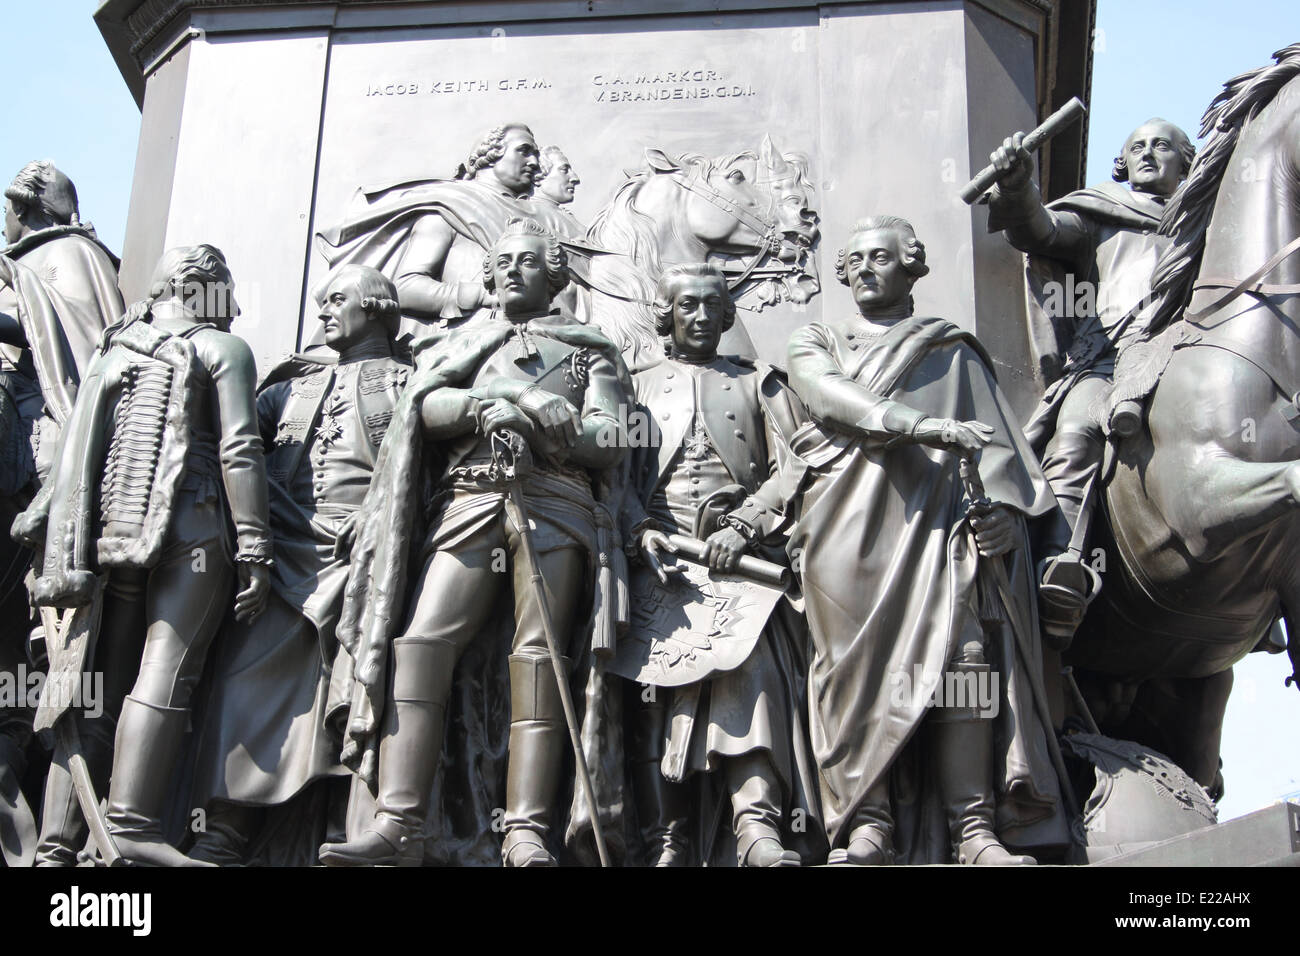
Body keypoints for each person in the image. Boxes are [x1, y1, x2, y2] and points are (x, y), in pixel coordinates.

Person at [318, 218, 629, 866]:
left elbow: (614, 437)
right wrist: (498, 398)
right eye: (502, 261)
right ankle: (400, 820)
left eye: (528, 261)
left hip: (556, 506)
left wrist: (557, 429)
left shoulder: (587, 350)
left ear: (556, 276)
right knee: (422, 641)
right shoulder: (467, 341)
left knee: (539, 657)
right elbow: (424, 410)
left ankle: (524, 832)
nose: (512, 270)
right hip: (468, 500)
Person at [784, 217, 1065, 865]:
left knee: (964, 664)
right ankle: (868, 824)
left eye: (879, 257)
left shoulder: (952, 351)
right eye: (852, 260)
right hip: (844, 533)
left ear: (913, 265)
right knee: (853, 673)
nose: (862, 269)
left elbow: (1000, 461)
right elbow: (828, 398)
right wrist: (921, 425)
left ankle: (973, 829)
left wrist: (1003, 522)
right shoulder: (816, 338)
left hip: (938, 533)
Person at [18, 244, 272, 867]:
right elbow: (240, 449)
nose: (234, 307)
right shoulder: (222, 350)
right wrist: (257, 545)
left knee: (99, 681)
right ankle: (131, 824)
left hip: (113, 534)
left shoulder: (112, 354)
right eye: (227, 291)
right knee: (166, 669)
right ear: (204, 288)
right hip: (196, 522)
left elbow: (79, 455)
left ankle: (57, 846)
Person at [187, 265, 409, 864]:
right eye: (320, 301)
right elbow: (233, 446)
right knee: (240, 675)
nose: (323, 311)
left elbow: (428, 473)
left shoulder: (410, 382)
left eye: (338, 299)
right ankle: (224, 824)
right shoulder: (284, 387)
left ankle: (346, 821)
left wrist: (382, 514)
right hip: (281, 546)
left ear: (379, 307)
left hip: (364, 552)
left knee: (361, 684)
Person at [620, 264, 816, 866]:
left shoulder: (761, 384)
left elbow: (800, 461)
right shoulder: (635, 387)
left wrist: (747, 523)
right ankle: (665, 838)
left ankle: (757, 827)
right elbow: (615, 475)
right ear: (668, 315)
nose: (702, 317)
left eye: (713, 306)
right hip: (658, 561)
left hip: (742, 562)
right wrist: (640, 528)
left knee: (749, 676)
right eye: (688, 306)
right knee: (649, 691)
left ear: (729, 316)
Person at [985, 119, 1195, 640]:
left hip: (1192, 352)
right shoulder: (1103, 213)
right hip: (1113, 356)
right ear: (1122, 162)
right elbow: (1040, 231)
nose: (1147, 153)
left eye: (1161, 145)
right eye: (1136, 146)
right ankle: (1062, 562)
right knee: (1076, 431)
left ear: (1186, 160)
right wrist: (1018, 186)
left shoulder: (1210, 217)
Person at [0, 160, 124, 866]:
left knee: (60, 663)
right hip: (40, 468)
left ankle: (62, 837)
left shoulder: (58, 256)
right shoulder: (68, 257)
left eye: (9, 208)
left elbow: (67, 361)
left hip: (52, 462)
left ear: (26, 207)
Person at [315, 124, 583, 360]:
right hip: (469, 347)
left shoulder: (540, 215)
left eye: (536, 154)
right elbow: (406, 288)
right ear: (489, 155)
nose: (535, 163)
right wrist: (483, 295)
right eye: (524, 151)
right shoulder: (449, 205)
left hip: (545, 344)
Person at [533, 146, 584, 230]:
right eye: (564, 170)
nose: (575, 178)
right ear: (538, 174)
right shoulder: (533, 216)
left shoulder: (561, 215)